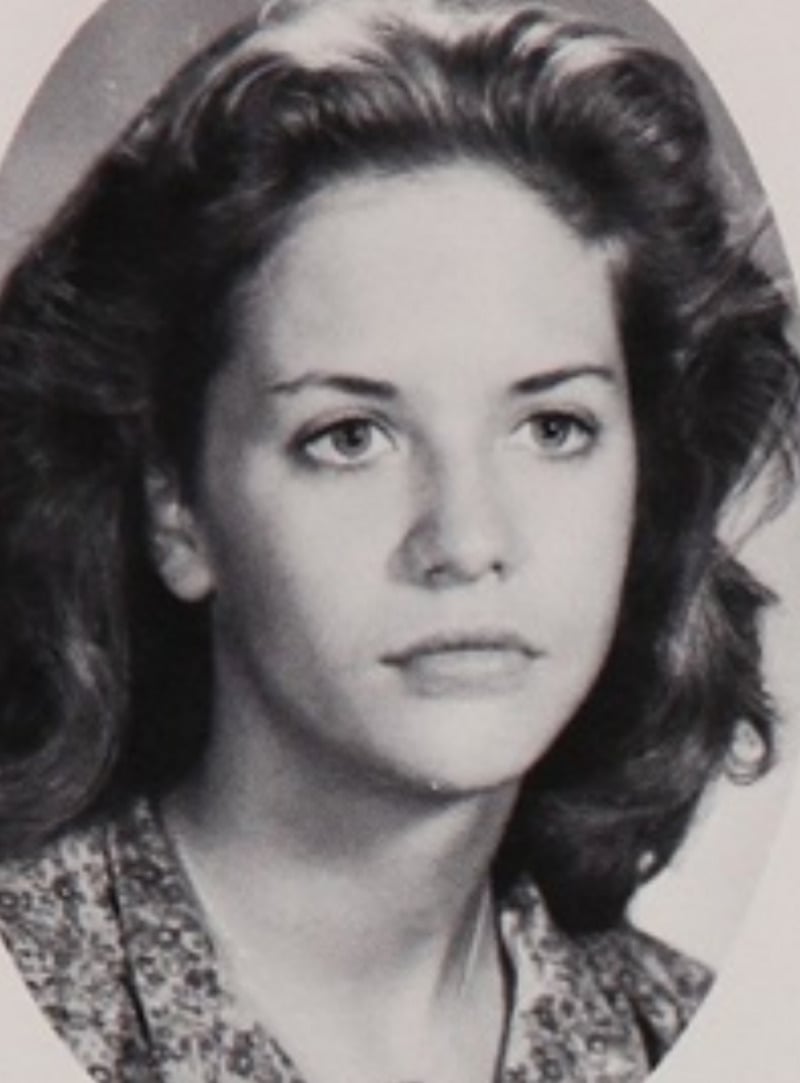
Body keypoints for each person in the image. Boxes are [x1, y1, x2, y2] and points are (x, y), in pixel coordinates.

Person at [0, 1, 797, 1080]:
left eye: (551, 427)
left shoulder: (680, 1031)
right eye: (350, 436)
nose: (465, 541)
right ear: (177, 508)